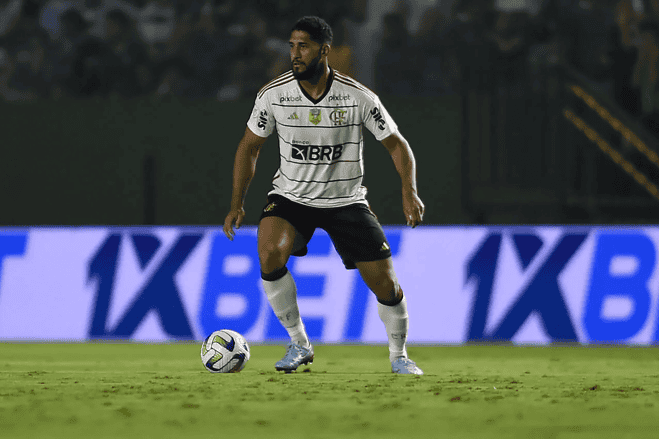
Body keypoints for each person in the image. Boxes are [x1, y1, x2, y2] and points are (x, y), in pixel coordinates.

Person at [223, 16, 425, 375]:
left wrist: (409, 192)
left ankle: (399, 356)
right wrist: (237, 202)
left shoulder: (358, 97)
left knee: (385, 283)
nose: (295, 54)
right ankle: (299, 343)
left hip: (345, 200)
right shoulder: (274, 95)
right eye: (292, 46)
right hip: (291, 198)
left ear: (324, 50)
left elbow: (397, 145)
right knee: (269, 252)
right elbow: (249, 147)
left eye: (303, 46)